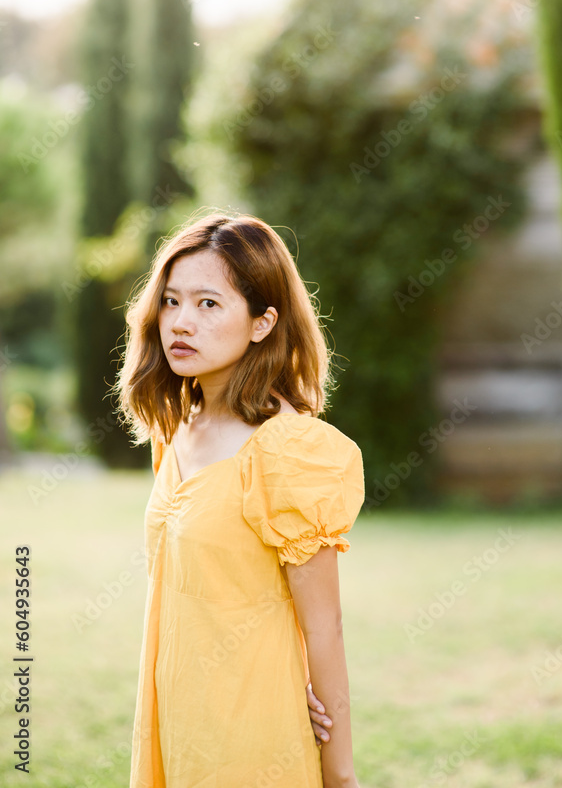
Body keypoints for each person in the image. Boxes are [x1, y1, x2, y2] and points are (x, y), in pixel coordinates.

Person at [114, 210, 365, 788]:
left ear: (261, 323)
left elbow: (325, 627)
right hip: (175, 721)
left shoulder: (289, 451)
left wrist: (341, 774)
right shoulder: (177, 428)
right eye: (171, 301)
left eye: (208, 304)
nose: (181, 322)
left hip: (252, 735)